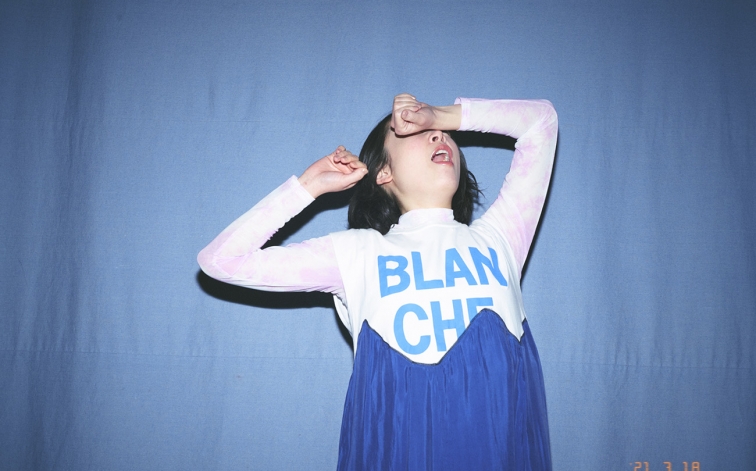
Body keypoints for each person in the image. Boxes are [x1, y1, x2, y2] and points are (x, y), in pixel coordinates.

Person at [198, 93, 558, 470]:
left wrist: (440, 115)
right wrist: (308, 186)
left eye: (441, 131)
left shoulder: (500, 239)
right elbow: (220, 260)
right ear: (383, 172)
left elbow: (540, 122)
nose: (437, 135)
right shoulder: (356, 254)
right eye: (413, 131)